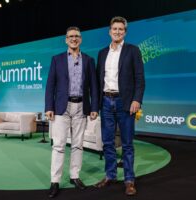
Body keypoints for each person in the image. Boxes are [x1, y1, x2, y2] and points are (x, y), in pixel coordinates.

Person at [45, 26, 98, 198]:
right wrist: (49, 107)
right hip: (62, 107)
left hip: (81, 107)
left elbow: (94, 87)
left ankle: (75, 176)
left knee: (77, 145)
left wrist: (94, 107)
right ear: (66, 40)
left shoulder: (89, 60)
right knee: (58, 145)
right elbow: (50, 85)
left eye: (77, 36)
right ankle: (55, 181)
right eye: (71, 36)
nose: (74, 39)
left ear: (81, 39)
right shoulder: (57, 59)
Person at [94, 16, 145, 196]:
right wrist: (95, 105)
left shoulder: (133, 50)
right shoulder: (101, 53)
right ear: (109, 31)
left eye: (120, 29)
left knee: (127, 144)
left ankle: (129, 180)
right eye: (114, 29)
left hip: (125, 102)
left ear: (125, 32)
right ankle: (110, 175)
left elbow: (139, 78)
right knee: (107, 143)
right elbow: (97, 81)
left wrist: (136, 100)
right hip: (106, 102)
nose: (117, 32)